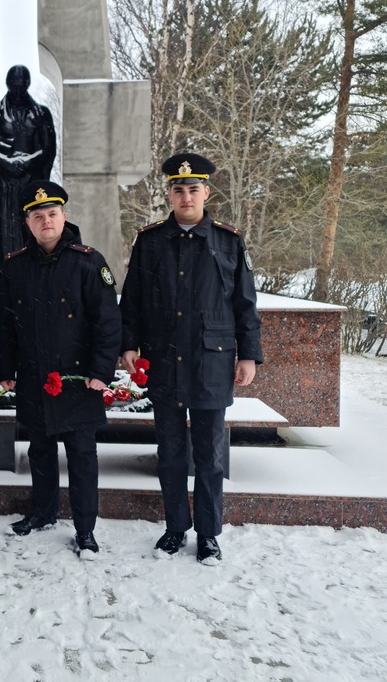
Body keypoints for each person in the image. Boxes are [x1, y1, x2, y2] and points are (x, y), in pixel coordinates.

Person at [119, 153, 263, 565]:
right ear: (168, 193)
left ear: (206, 192)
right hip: (164, 361)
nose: (185, 196)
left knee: (209, 456)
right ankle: (174, 527)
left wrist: (249, 355)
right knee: (170, 452)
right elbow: (132, 302)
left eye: (193, 189)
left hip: (211, 363)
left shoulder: (227, 240)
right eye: (178, 189)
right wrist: (129, 345)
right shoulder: (150, 241)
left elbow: (245, 305)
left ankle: (208, 533)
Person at [0, 181, 121, 558]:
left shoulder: (89, 261)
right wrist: (5, 370)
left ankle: (85, 529)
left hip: (79, 379)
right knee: (40, 450)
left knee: (82, 455)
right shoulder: (15, 266)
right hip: (34, 376)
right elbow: (3, 322)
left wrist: (101, 370)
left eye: (52, 214)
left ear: (64, 216)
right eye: (37, 216)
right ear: (27, 223)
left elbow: (108, 321)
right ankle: (43, 513)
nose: (45, 221)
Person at [0, 64, 57, 293]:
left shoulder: (41, 114)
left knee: (31, 231)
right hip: (2, 185)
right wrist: (7, 162)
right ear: (8, 84)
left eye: (23, 84)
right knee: (0, 236)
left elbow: (48, 148)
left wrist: (28, 161)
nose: (19, 88)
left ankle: (33, 284)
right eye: (14, 84)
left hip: (30, 184)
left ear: (28, 84)